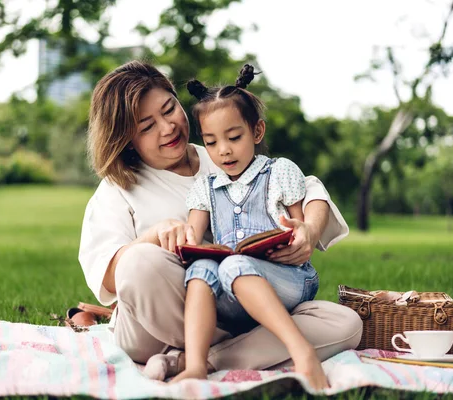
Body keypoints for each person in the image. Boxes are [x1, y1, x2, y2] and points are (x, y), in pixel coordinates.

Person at [77, 60, 362, 390]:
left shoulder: (221, 152)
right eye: (147, 127)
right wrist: (153, 236)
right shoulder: (118, 187)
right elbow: (110, 272)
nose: (167, 127)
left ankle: (195, 360)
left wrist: (309, 228)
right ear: (127, 140)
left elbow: (306, 186)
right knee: (139, 262)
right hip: (158, 322)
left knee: (345, 323)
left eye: (169, 110)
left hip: (243, 307)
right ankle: (249, 347)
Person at [159, 64, 328, 385]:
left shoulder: (279, 172)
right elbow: (194, 239)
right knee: (202, 269)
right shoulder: (206, 187)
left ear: (257, 132)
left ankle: (303, 353)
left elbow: (300, 228)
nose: (223, 150)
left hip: (288, 278)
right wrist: (189, 244)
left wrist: (298, 233)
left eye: (234, 137)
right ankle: (195, 365)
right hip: (234, 284)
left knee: (234, 264)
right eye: (210, 142)